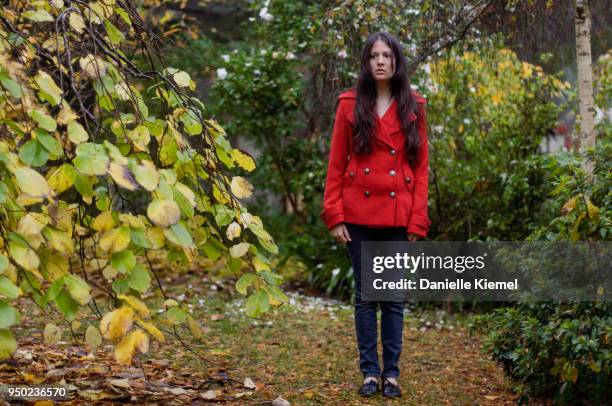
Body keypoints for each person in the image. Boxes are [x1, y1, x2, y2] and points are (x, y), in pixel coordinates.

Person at [320, 31, 431, 398]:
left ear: (397, 61)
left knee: (393, 298)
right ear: (366, 63)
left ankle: (392, 374)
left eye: (387, 55)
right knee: (367, 296)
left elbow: (422, 166)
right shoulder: (350, 104)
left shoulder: (414, 105)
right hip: (358, 211)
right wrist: (334, 214)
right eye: (374, 56)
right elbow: (336, 164)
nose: (380, 61)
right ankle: (370, 372)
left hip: (398, 212)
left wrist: (417, 218)